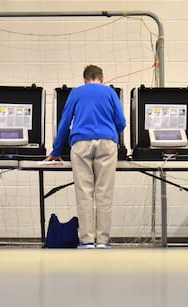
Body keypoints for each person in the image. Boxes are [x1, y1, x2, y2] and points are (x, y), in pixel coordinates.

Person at [45, 65, 126, 248]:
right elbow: (121, 121)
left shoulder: (76, 93)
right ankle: (103, 240)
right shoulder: (110, 93)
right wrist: (111, 132)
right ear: (102, 78)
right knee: (104, 193)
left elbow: (65, 122)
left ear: (84, 79)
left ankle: (87, 240)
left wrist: (57, 150)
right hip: (107, 143)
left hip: (81, 144)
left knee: (84, 193)